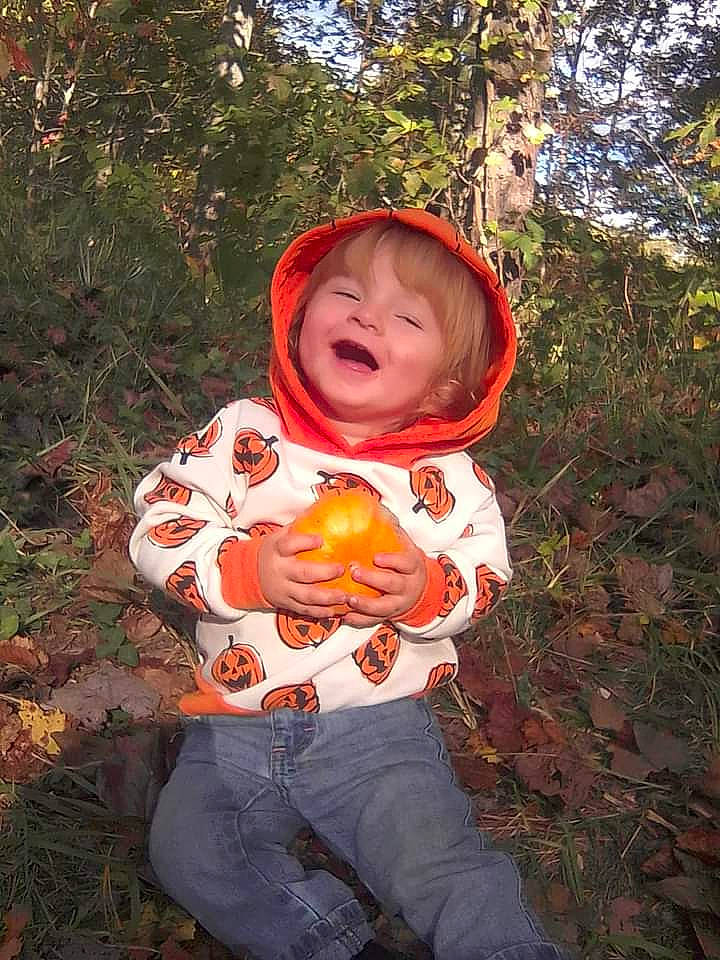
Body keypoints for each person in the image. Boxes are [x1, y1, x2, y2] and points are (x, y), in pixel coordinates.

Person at [129, 208, 564, 960]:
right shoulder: (243, 433)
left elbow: (484, 572)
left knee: (440, 865)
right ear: (301, 318)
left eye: (405, 317)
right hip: (234, 719)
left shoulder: (449, 485)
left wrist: (425, 589)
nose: (368, 315)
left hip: (377, 729)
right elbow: (162, 518)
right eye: (346, 294)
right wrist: (243, 568)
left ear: (447, 387)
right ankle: (327, 941)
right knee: (192, 849)